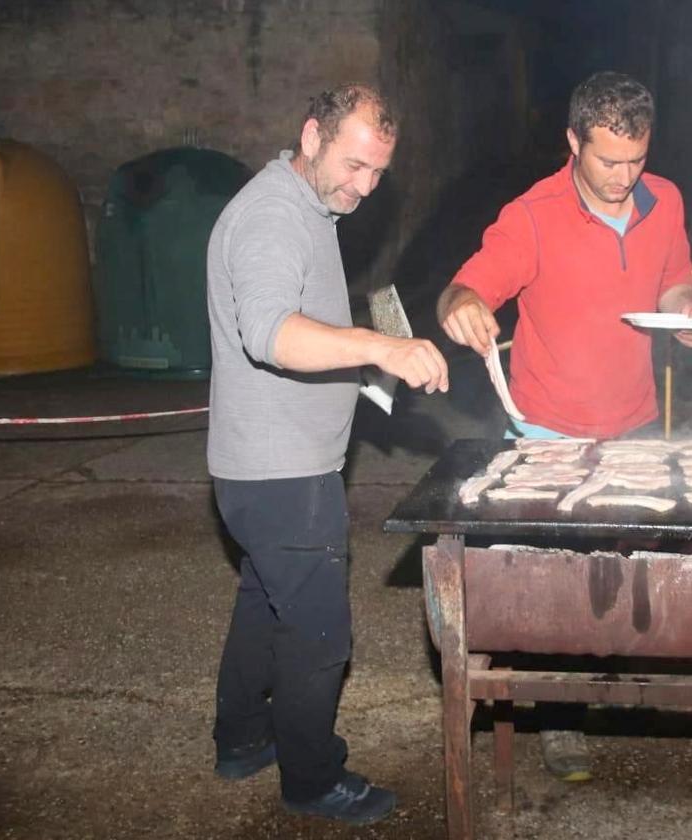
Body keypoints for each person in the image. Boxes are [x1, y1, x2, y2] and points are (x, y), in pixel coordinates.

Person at [436, 71, 692, 779]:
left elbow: (676, 277)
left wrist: (684, 312)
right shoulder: (533, 214)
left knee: (628, 574)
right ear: (572, 142)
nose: (623, 177)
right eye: (607, 160)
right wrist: (462, 306)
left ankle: (618, 689)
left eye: (636, 160)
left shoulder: (666, 200)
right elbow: (466, 286)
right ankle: (560, 722)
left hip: (636, 425)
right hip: (551, 433)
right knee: (558, 589)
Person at [206, 84, 448, 825]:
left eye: (378, 172)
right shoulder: (273, 215)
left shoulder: (307, 203)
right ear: (311, 134)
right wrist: (382, 346)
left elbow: (302, 325)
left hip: (264, 469)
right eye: (353, 164)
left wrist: (360, 364)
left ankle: (242, 739)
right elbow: (272, 334)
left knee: (265, 608)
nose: (364, 186)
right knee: (319, 636)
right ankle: (312, 779)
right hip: (282, 474)